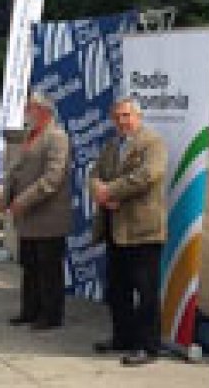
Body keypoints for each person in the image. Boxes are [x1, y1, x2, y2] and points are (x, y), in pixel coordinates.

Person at [90, 97, 168, 367]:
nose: (122, 121)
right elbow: (95, 174)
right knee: (117, 289)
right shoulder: (112, 145)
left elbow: (148, 175)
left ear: (138, 116)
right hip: (115, 229)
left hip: (143, 230)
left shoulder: (152, 143)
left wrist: (110, 191)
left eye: (126, 115)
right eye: (117, 117)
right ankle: (122, 337)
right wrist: (99, 193)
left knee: (146, 292)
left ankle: (149, 346)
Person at [1, 94, 71, 331]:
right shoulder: (29, 136)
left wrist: (24, 200)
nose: (26, 112)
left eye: (30, 108)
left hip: (48, 215)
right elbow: (17, 171)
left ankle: (50, 315)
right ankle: (29, 310)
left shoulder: (57, 138)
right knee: (29, 265)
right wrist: (7, 199)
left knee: (48, 268)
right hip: (27, 216)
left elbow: (52, 178)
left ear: (43, 111)